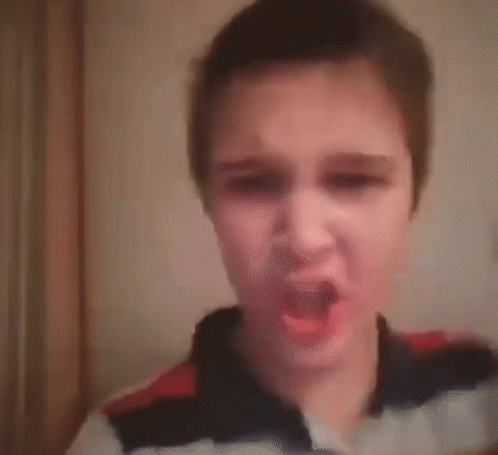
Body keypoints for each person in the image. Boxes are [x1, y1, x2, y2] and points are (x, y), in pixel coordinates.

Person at [67, 0, 498, 453]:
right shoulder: (123, 442)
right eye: (254, 183)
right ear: (209, 202)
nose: (305, 238)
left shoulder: (481, 387)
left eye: (353, 180)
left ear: (414, 196)